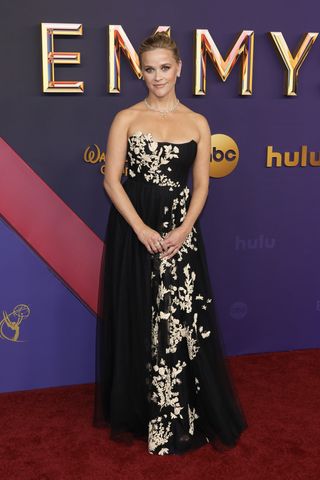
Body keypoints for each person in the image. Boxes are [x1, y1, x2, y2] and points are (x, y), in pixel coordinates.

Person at [94, 31, 248, 456]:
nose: (157, 76)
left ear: (179, 68)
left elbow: (201, 186)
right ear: (140, 72)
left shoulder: (198, 123)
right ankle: (138, 410)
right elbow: (111, 180)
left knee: (178, 321)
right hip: (134, 229)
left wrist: (184, 229)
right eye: (149, 69)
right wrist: (141, 228)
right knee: (139, 313)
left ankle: (178, 413)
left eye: (164, 67)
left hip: (180, 231)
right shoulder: (125, 118)